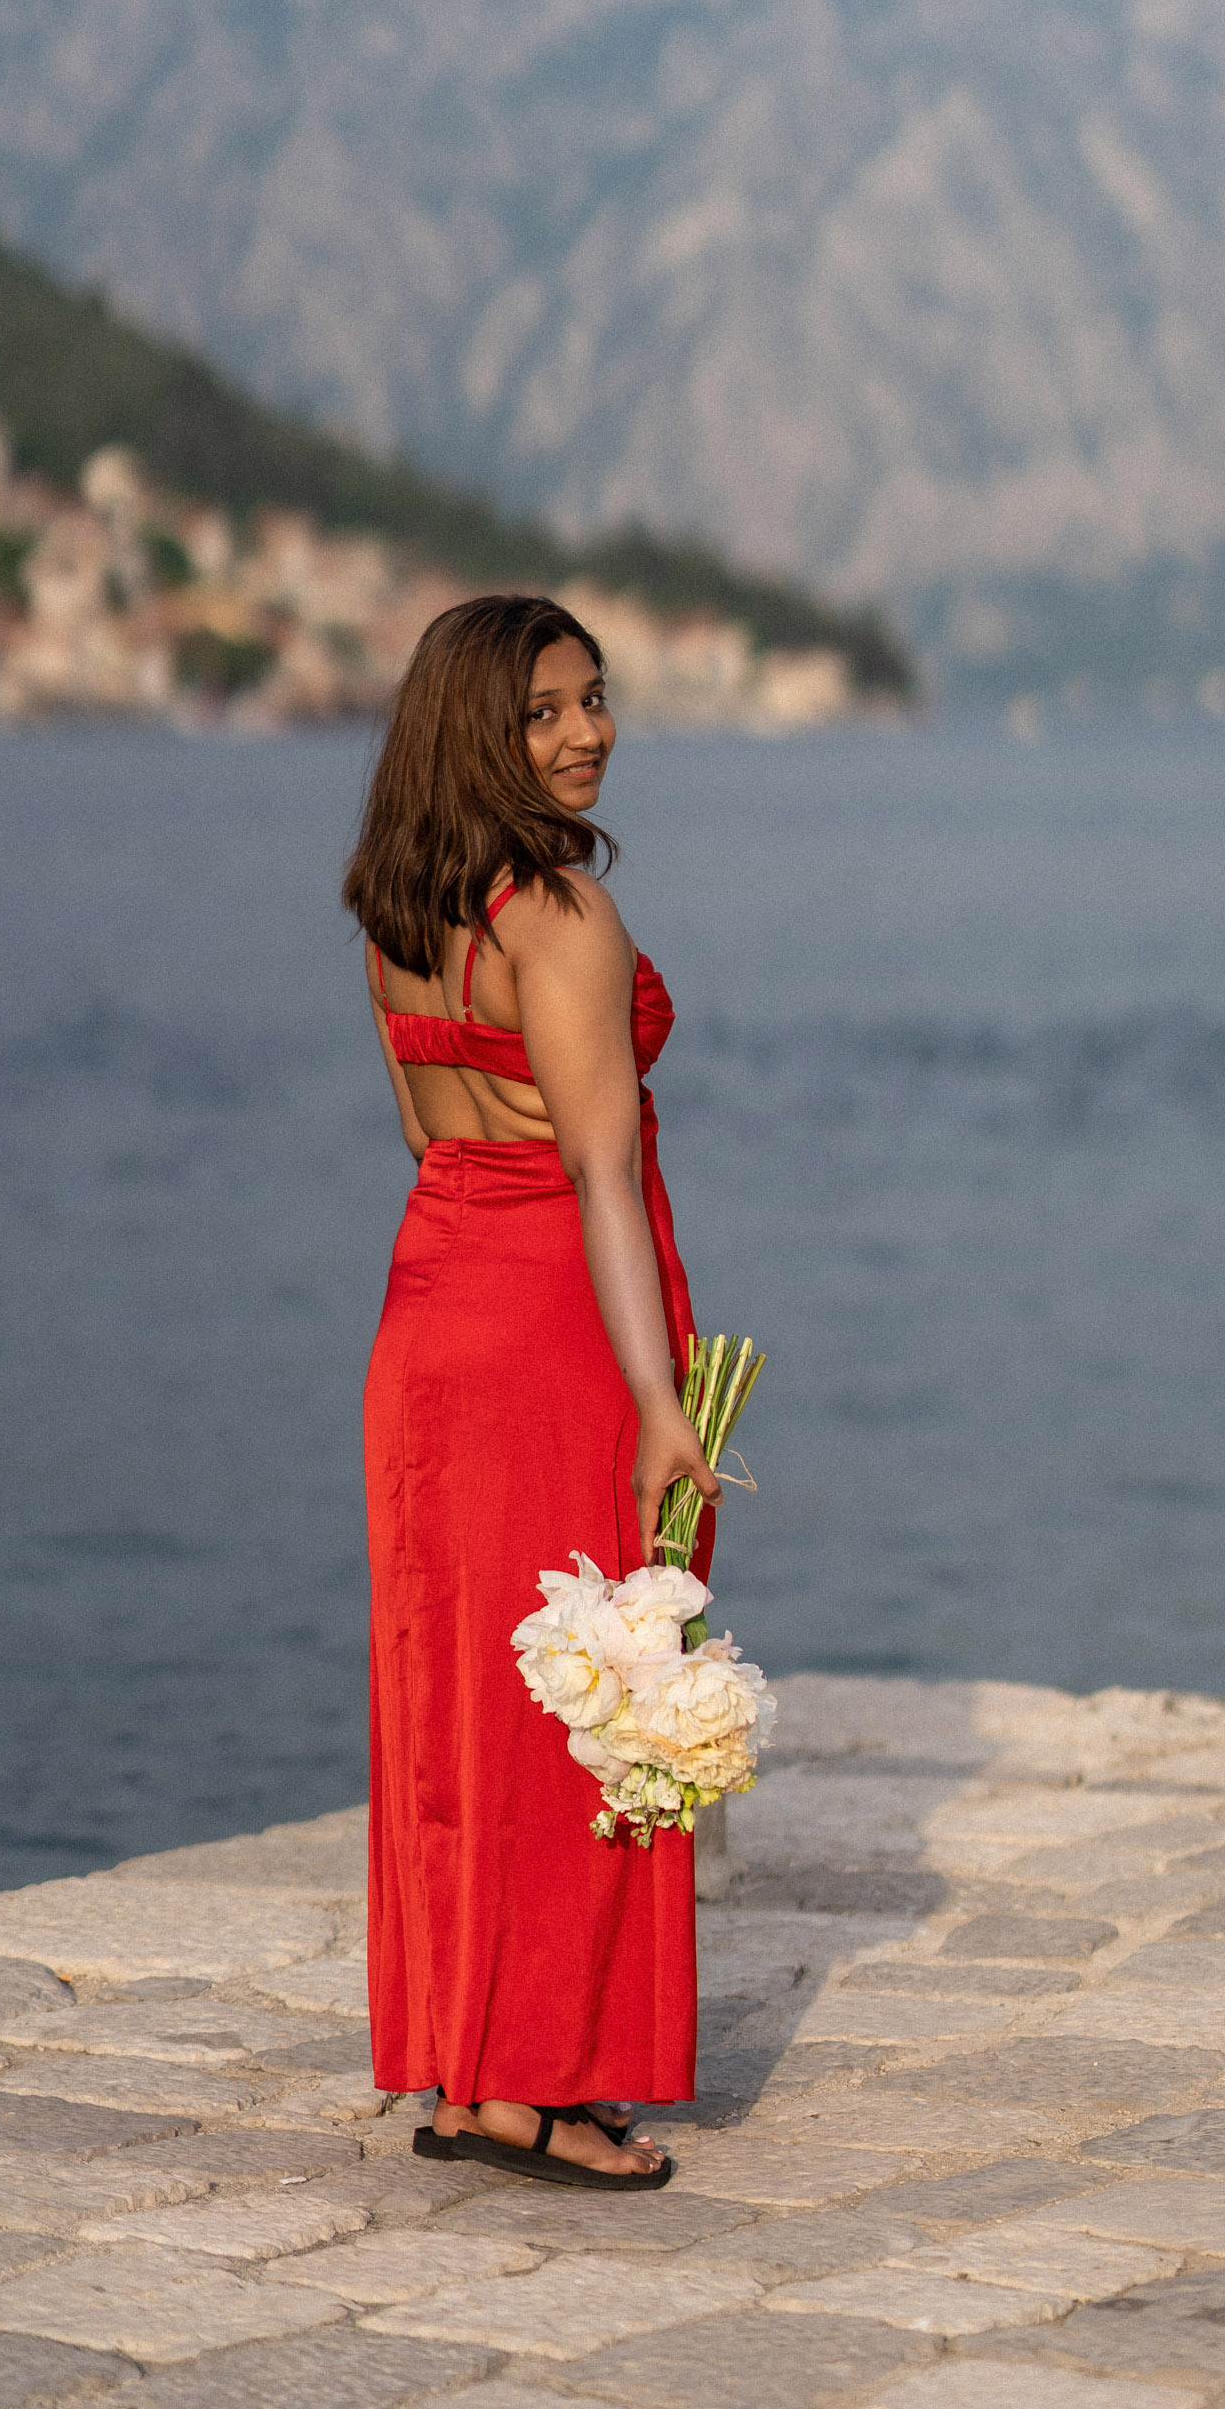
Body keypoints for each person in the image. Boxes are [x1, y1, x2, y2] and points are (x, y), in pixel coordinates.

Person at [341, 594, 720, 2191]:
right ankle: (550, 2086)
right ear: (476, 728)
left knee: (466, 1704)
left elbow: (435, 1143)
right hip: (556, 1326)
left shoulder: (397, 913)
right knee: (594, 1696)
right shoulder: (554, 919)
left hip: (431, 1317)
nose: (586, 733)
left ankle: (470, 2070)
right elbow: (600, 1173)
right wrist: (659, 1402)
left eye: (596, 700)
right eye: (547, 710)